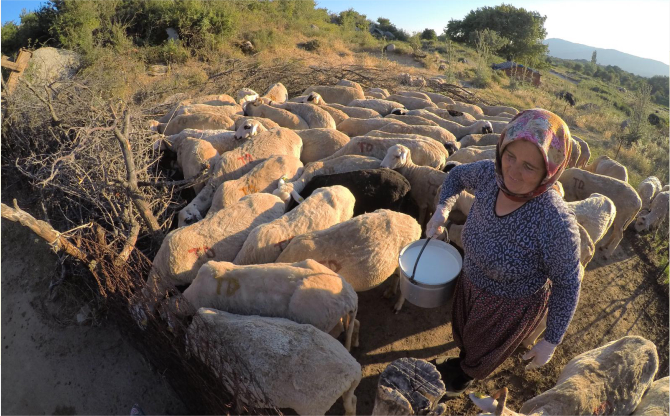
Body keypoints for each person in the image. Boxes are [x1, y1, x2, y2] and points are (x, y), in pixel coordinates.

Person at [425, 108, 582, 396]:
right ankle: (461, 361)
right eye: (510, 156)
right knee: (464, 334)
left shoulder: (555, 221)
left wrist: (551, 339)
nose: (512, 170)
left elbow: (567, 283)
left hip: (507, 306)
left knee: (481, 351)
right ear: (501, 148)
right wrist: (443, 209)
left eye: (529, 166)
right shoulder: (489, 175)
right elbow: (457, 176)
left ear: (550, 170)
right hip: (470, 281)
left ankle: (463, 378)